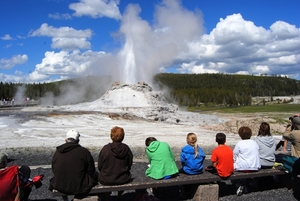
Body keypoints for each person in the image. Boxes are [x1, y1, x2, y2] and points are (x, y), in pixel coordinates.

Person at [49, 129, 98, 200]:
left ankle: (65, 199)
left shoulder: (58, 152)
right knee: (96, 175)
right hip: (79, 185)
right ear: (78, 140)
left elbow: (54, 169)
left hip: (60, 184)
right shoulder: (84, 152)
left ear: (66, 139)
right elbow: (91, 170)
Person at [98, 126, 133, 200]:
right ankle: (119, 196)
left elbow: (100, 166)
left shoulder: (106, 148)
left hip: (106, 179)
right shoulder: (126, 148)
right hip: (123, 178)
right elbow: (129, 164)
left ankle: (106, 197)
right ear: (123, 137)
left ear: (111, 136)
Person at [233, 126, 260, 196]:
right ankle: (249, 181)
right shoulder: (254, 143)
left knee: (232, 165)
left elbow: (234, 155)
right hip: (255, 166)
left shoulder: (240, 143)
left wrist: (235, 161)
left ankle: (240, 183)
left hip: (243, 167)